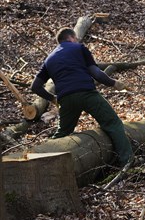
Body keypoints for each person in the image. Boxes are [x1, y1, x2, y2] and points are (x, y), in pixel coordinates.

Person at [31, 27, 134, 167]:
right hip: (87, 93)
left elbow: (35, 87)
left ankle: (40, 157)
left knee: (63, 132)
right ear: (72, 38)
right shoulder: (79, 48)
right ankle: (127, 163)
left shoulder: (49, 59)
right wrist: (114, 83)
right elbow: (96, 73)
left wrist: (53, 98)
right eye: (76, 39)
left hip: (65, 99)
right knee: (113, 124)